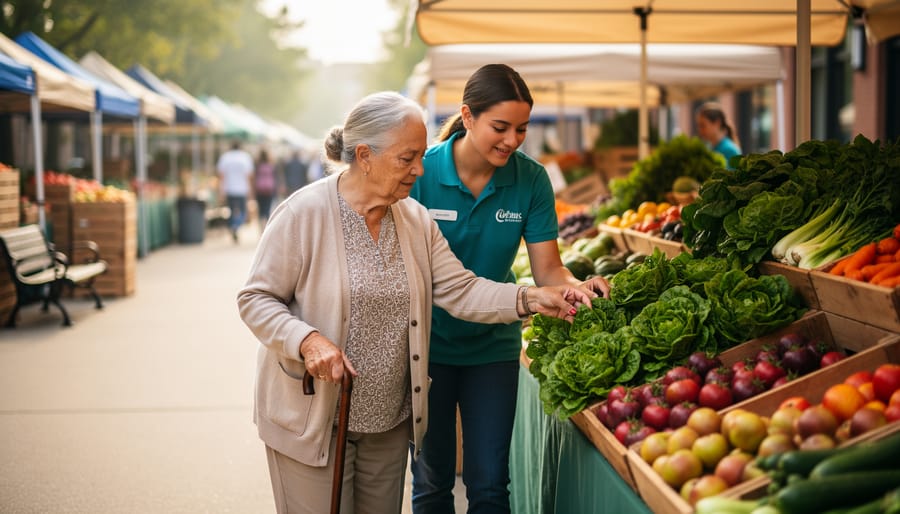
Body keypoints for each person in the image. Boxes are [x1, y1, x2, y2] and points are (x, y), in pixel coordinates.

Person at [236, 91, 594, 514]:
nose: (420, 170)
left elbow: (460, 289)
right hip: (314, 420)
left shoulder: (413, 219)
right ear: (365, 155)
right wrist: (307, 341)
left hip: (386, 423)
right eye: (408, 158)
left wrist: (531, 297)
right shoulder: (303, 213)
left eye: (422, 156)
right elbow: (256, 298)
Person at [408, 64, 610, 514]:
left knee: (490, 486)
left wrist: (579, 287)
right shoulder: (420, 174)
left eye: (522, 129)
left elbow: (549, 270)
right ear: (467, 116)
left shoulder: (531, 180)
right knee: (431, 484)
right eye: (501, 127)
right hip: (426, 348)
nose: (513, 140)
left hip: (493, 348)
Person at [217, 140, 254, 243]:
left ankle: (233, 226)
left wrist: (221, 190)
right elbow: (248, 176)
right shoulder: (245, 157)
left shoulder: (225, 157)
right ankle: (236, 225)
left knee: (231, 211)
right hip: (242, 189)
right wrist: (250, 190)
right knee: (242, 212)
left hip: (229, 189)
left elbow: (221, 176)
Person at [695, 101, 742, 169]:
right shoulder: (709, 147)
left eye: (703, 125)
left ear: (717, 123)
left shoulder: (730, 150)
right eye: (698, 126)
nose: (700, 130)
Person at [254, 148, 277, 228]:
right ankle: (267, 227)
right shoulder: (271, 165)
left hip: (259, 189)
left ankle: (261, 227)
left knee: (260, 210)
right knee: (267, 209)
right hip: (269, 189)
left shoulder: (257, 166)